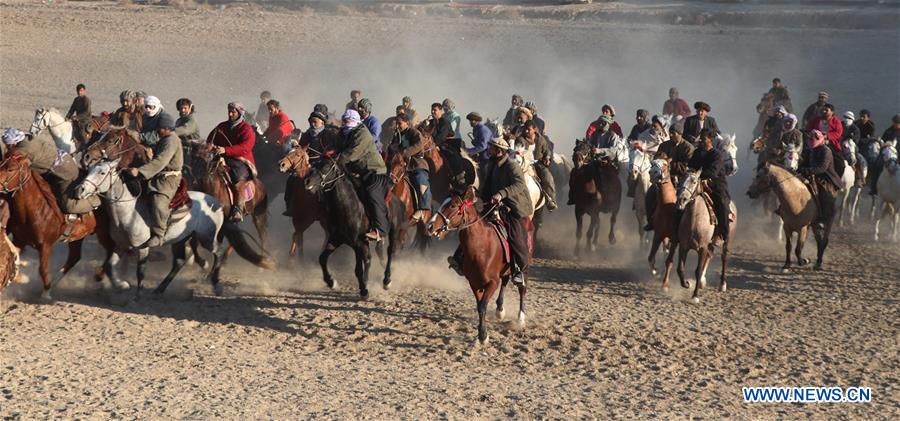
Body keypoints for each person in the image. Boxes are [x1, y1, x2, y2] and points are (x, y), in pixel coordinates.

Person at [1, 128, 99, 216]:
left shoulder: (25, 151)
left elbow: (16, 165)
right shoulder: (25, 138)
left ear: (14, 143)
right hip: (53, 165)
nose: (6, 147)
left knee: (68, 206)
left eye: (7, 145)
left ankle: (95, 201)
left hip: (64, 171)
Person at [122, 113, 183, 248]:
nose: (157, 130)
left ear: (167, 128)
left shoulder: (172, 140)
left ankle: (159, 234)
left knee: (158, 201)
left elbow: (161, 161)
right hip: (159, 175)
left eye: (159, 128)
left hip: (169, 178)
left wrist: (140, 171)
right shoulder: (164, 138)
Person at [333, 109, 390, 242]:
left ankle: (380, 231)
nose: (345, 123)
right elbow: (337, 148)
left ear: (354, 121)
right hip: (356, 171)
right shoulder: (342, 133)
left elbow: (353, 153)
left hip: (374, 170)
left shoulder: (362, 133)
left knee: (372, 193)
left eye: (347, 120)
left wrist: (336, 160)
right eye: (344, 120)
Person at [206, 102, 257, 222]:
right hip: (221, 157)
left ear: (239, 113)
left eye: (233, 112)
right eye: (229, 111)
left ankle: (238, 209)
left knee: (238, 177)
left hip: (240, 160)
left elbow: (246, 147)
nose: (230, 114)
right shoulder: (221, 126)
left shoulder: (246, 129)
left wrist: (226, 149)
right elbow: (210, 139)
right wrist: (210, 147)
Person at [643, 122, 694, 231]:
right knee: (650, 194)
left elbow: (688, 166)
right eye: (670, 133)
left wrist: (670, 164)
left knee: (684, 199)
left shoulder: (688, 148)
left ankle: (684, 225)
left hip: (682, 180)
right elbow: (656, 160)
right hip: (664, 178)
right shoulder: (664, 145)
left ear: (680, 134)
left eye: (673, 133)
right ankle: (651, 221)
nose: (670, 135)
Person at [687, 128, 731, 242]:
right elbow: (691, 165)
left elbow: (713, 172)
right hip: (697, 182)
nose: (700, 140)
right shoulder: (697, 152)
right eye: (700, 138)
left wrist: (699, 176)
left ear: (710, 139)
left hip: (715, 184)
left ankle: (723, 234)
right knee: (681, 197)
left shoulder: (717, 154)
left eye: (703, 138)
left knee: (722, 204)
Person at [798, 130, 842, 227]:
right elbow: (803, 163)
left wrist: (808, 170)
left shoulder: (826, 151)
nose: (812, 140)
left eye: (814, 138)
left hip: (825, 178)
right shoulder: (809, 150)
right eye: (810, 138)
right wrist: (800, 169)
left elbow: (822, 168)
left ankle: (822, 218)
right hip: (810, 175)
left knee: (823, 194)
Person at [393, 113, 431, 221]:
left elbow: (420, 144)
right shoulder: (397, 135)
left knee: (420, 180)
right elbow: (393, 147)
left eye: (399, 123)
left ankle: (423, 208)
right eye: (396, 123)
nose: (397, 126)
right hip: (402, 165)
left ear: (407, 123)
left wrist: (404, 153)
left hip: (416, 164)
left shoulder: (413, 132)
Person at [522, 120, 558, 210]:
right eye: (525, 129)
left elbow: (547, 150)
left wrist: (547, 157)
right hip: (524, 164)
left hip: (538, 164)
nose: (526, 131)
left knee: (548, 177)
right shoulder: (521, 139)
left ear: (535, 129)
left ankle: (551, 200)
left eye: (529, 129)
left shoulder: (541, 140)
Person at [869, 114, 900, 195]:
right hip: (887, 153)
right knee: (876, 165)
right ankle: (874, 187)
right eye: (895, 122)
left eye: (897, 123)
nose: (896, 124)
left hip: (898, 154)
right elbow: (883, 139)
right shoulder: (889, 130)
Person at [174, 98, 202, 178]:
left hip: (192, 151)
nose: (182, 110)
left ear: (190, 108)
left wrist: (168, 133)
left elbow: (183, 130)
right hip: (181, 147)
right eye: (181, 108)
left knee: (185, 170)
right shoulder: (179, 121)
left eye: (185, 108)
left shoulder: (191, 121)